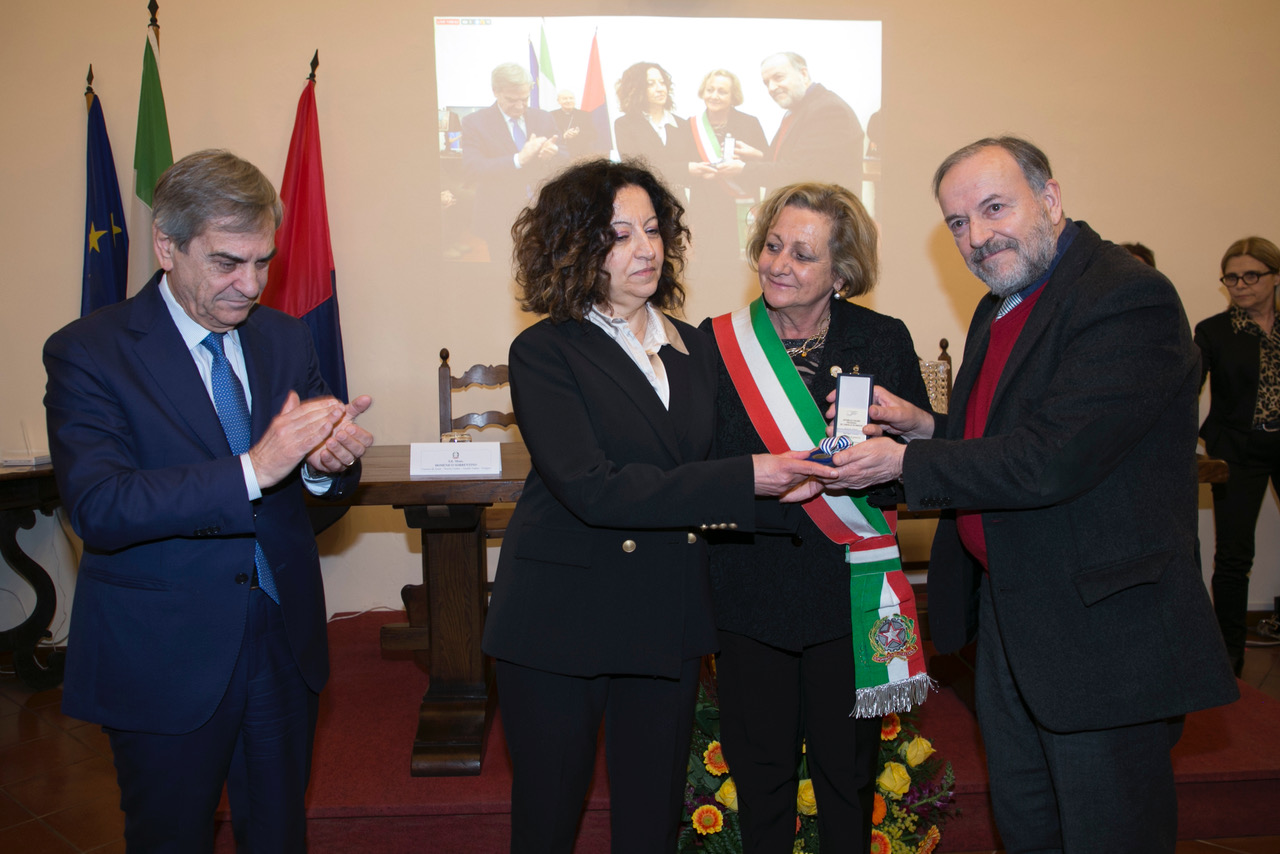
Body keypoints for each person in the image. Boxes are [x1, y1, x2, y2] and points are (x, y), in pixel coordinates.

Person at [818, 136, 1238, 852]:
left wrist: (907, 462)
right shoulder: (1003, 303)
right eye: (958, 223)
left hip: (1100, 634)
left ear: (1050, 198)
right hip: (1012, 615)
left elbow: (1053, 458)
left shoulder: (1124, 295)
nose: (978, 236)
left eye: (994, 208)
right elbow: (1007, 434)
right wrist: (927, 427)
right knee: (1028, 828)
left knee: (1108, 833)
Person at [480, 159, 835, 853]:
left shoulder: (692, 345)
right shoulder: (545, 350)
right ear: (574, 247)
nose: (645, 249)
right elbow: (593, 486)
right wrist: (748, 478)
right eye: (619, 235)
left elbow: (707, 474)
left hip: (664, 614)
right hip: (559, 621)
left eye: (652, 229)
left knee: (651, 822)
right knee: (548, 819)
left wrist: (801, 485)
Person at [43, 149, 374, 851]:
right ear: (167, 245)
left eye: (263, 262)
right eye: (227, 262)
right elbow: (99, 506)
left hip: (282, 637)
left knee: (279, 833)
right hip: (165, 649)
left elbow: (315, 481)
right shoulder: (90, 351)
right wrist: (255, 468)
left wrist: (326, 466)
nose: (250, 285)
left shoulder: (284, 337)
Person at [700, 182, 931, 853]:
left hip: (848, 596)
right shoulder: (718, 343)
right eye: (772, 246)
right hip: (749, 591)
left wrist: (880, 462)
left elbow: (918, 470)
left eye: (802, 255)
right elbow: (700, 472)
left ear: (841, 273)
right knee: (761, 775)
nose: (778, 264)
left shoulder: (882, 339)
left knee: (847, 776)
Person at [1195, 236, 1280, 676]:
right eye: (1231, 278)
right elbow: (1189, 388)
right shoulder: (1214, 331)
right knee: (1233, 556)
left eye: (1251, 276)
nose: (1240, 285)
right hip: (1237, 453)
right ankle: (1229, 657)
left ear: (1275, 277)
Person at [461, 63, 564, 259]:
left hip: (543, 214)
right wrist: (518, 159)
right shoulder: (475, 122)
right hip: (500, 218)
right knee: (503, 270)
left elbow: (565, 155)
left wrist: (553, 152)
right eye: (511, 100)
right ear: (495, 92)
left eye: (524, 99)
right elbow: (472, 168)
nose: (519, 106)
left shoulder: (543, 118)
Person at [737, 52, 865, 199]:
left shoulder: (829, 110)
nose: (771, 87)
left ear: (803, 74)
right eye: (766, 83)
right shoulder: (800, 108)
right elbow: (796, 160)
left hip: (824, 211)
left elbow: (801, 172)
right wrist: (759, 156)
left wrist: (743, 169)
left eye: (778, 77)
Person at [678, 68, 769, 267]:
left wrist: (748, 160)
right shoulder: (690, 126)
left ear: (733, 96)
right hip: (706, 207)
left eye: (722, 91)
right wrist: (697, 170)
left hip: (739, 206)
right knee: (710, 265)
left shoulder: (749, 123)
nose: (714, 96)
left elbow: (767, 163)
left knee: (743, 267)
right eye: (710, 90)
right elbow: (682, 168)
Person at [613, 62, 688, 187]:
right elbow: (635, 168)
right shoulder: (624, 125)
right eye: (651, 84)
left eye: (662, 82)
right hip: (647, 193)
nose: (660, 89)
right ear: (636, 89)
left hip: (680, 196)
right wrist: (686, 169)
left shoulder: (682, 124)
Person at [550, 89, 599, 159]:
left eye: (571, 98)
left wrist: (578, 133)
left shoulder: (584, 115)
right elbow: (549, 135)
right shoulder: (552, 115)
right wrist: (563, 136)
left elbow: (593, 135)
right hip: (560, 155)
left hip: (581, 154)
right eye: (565, 99)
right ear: (558, 101)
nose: (568, 101)